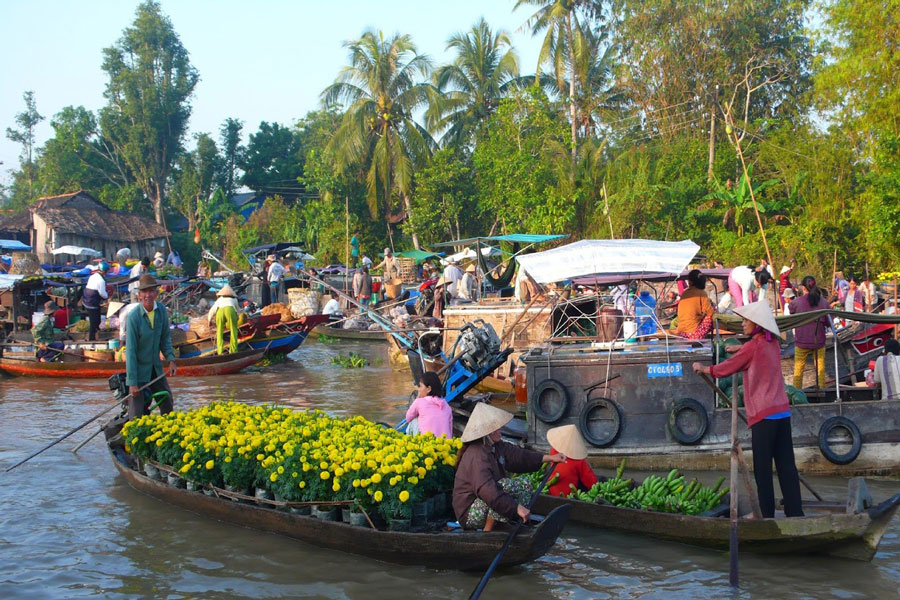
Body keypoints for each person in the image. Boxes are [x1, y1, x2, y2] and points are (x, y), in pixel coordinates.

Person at [693, 301, 804, 519]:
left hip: (764, 415)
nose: (743, 324)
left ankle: (764, 513)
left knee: (763, 469)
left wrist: (705, 368)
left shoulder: (753, 347)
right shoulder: (771, 344)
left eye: (746, 321)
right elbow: (751, 352)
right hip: (782, 412)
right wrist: (738, 348)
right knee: (786, 467)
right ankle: (796, 513)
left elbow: (728, 367)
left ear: (757, 324)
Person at [453, 402, 566, 530]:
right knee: (504, 485)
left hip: (488, 501)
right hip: (470, 513)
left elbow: (519, 456)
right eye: (496, 428)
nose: (500, 430)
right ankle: (488, 530)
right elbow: (487, 491)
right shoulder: (476, 454)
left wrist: (549, 458)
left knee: (525, 483)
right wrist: (516, 507)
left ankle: (507, 522)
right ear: (487, 432)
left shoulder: (496, 446)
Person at [124, 274, 176, 419]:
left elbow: (165, 339)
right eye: (144, 292)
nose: (148, 295)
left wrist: (171, 360)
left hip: (155, 367)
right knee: (137, 409)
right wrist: (132, 382)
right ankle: (134, 438)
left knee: (167, 401)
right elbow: (131, 352)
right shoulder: (134, 317)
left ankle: (168, 430)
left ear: (156, 293)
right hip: (139, 370)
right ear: (139, 295)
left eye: (151, 291)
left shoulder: (161, 311)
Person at [789, 276, 831, 389]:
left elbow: (791, 310)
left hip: (802, 341)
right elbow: (828, 322)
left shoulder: (797, 302)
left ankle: (797, 392)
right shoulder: (824, 303)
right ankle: (822, 390)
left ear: (803, 288)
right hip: (819, 341)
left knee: (798, 370)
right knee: (820, 369)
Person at [545, 424, 599, 498]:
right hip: (568, 496)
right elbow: (591, 482)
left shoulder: (553, 452)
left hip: (550, 492)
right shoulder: (579, 461)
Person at [405, 371, 452, 437]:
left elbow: (408, 418)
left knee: (413, 420)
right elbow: (450, 430)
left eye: (421, 387)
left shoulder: (419, 402)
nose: (419, 390)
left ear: (428, 389)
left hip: (428, 444)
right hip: (445, 445)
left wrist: (418, 397)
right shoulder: (446, 406)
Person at [675, 269, 715, 339]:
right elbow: (710, 312)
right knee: (711, 316)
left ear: (690, 282)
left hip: (680, 332)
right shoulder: (701, 293)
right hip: (692, 333)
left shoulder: (684, 292)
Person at [207, 284, 241, 355]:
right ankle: (233, 351)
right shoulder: (234, 299)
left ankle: (220, 351)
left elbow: (212, 310)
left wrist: (209, 320)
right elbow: (238, 311)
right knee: (234, 330)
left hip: (220, 311)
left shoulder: (219, 299)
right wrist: (237, 317)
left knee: (219, 331)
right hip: (230, 310)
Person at [83, 262, 109, 341]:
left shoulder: (93, 276)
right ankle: (92, 338)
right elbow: (103, 294)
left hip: (86, 299)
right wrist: (108, 296)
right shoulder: (101, 281)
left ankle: (98, 332)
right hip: (92, 301)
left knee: (97, 316)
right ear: (104, 271)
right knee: (93, 321)